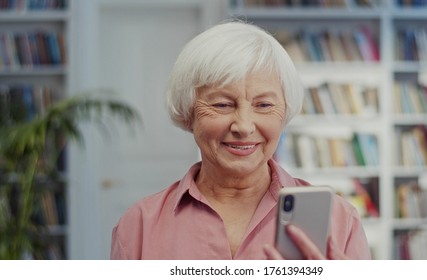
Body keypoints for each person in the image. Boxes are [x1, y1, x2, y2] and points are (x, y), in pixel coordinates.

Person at [110, 20, 371, 260]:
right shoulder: (139, 225)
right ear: (189, 112)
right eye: (222, 104)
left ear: (285, 112)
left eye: (264, 105)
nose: (244, 126)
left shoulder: (340, 222)